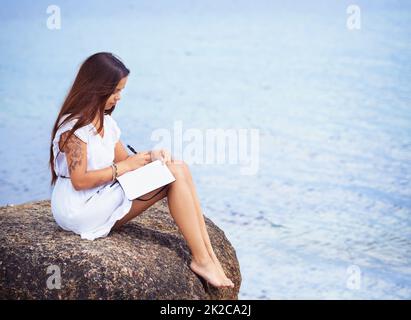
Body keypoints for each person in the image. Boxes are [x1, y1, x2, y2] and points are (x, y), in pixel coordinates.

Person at [49, 52, 234, 289]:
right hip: (78, 208)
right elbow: (80, 181)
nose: (119, 97)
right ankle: (201, 259)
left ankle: (208, 255)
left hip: (100, 196)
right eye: (116, 91)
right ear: (97, 88)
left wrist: (152, 156)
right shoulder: (74, 128)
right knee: (173, 175)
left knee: (178, 166)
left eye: (121, 91)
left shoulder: (106, 122)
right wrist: (123, 168)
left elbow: (126, 160)